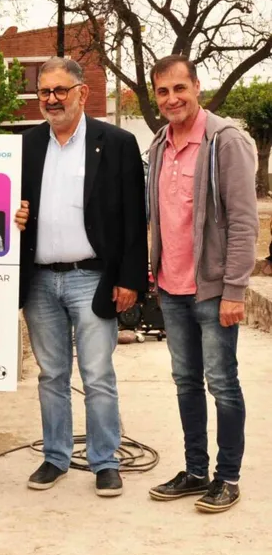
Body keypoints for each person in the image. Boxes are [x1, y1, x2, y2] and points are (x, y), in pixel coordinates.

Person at [18, 57, 148, 497]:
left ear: (82, 93)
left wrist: (130, 280)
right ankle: (55, 457)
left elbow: (135, 219)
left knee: (97, 375)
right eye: (44, 93)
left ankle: (105, 461)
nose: (52, 100)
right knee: (51, 374)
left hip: (92, 278)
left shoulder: (117, 143)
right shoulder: (27, 146)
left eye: (60, 91)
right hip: (39, 281)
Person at [147, 56, 258, 513]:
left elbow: (244, 221)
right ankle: (195, 471)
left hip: (213, 292)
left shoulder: (225, 141)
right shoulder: (158, 144)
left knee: (223, 384)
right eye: (162, 92)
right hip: (171, 288)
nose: (172, 98)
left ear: (196, 86)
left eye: (179, 88)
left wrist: (235, 289)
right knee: (185, 382)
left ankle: (227, 477)